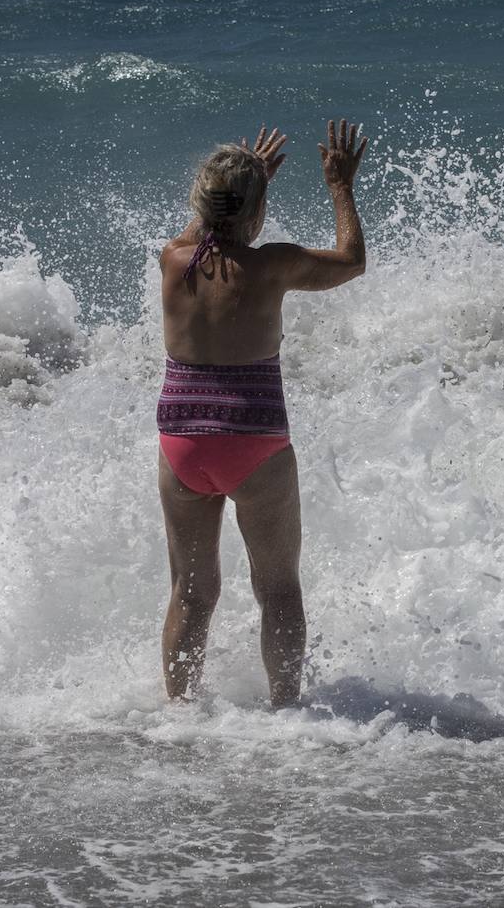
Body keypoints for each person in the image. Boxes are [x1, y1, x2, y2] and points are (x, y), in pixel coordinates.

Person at [157, 120, 369, 706]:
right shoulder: (272, 264)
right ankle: (283, 715)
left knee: (191, 593)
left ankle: (179, 715)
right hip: (253, 443)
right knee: (277, 590)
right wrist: (340, 187)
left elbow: (206, 228)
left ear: (201, 202)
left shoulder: (173, 260)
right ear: (258, 212)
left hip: (182, 448)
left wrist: (243, 191)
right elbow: (351, 259)